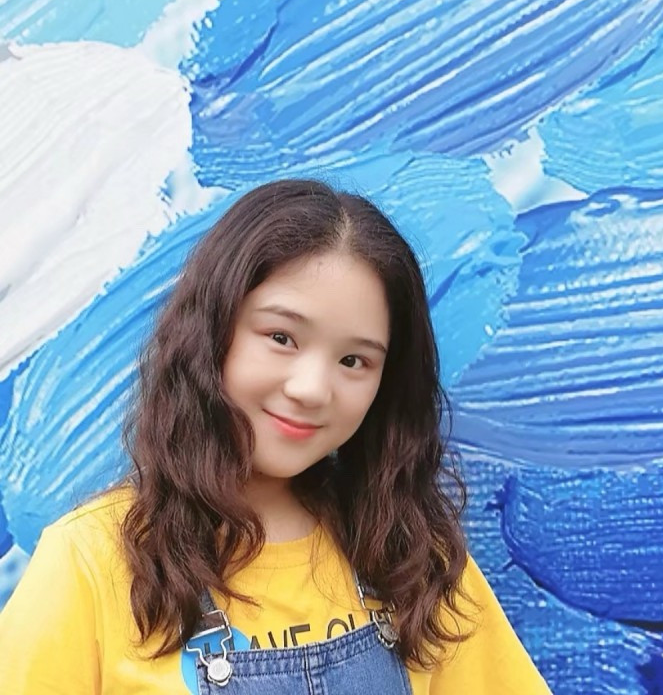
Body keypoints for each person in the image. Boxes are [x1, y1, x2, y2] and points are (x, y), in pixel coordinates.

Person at [0, 179, 551, 694]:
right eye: (282, 337)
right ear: (210, 333)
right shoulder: (88, 562)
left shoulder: (412, 555)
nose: (311, 389)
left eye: (354, 361)